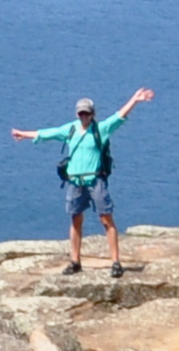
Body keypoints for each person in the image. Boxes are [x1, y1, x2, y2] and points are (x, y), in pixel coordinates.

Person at [13, 88, 153, 276]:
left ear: (92, 114)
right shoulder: (70, 129)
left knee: (106, 219)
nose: (83, 116)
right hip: (75, 181)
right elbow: (49, 133)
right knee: (76, 219)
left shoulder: (100, 130)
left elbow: (119, 116)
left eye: (86, 113)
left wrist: (135, 100)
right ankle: (75, 261)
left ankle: (115, 262)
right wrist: (24, 134)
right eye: (81, 113)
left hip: (95, 180)